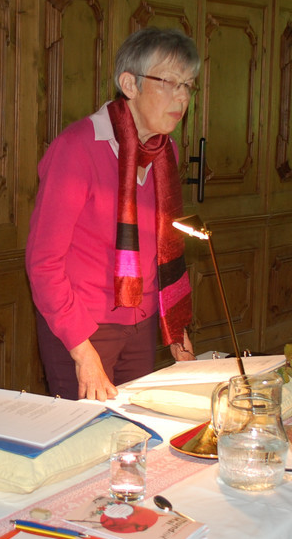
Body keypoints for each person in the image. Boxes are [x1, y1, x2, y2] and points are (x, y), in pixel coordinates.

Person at [26, 27, 199, 401]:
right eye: (170, 83)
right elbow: (43, 262)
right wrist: (82, 350)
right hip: (82, 327)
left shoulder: (165, 153)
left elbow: (161, 248)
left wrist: (175, 325)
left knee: (135, 429)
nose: (182, 96)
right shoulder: (77, 148)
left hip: (142, 323)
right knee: (88, 433)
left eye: (188, 85)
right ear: (129, 84)